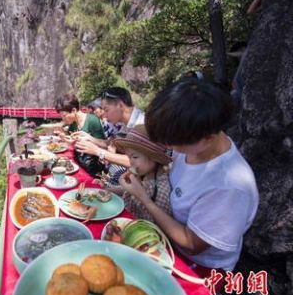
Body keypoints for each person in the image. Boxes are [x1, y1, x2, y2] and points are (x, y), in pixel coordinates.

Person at [120, 78, 258, 272]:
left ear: (209, 137)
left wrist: (144, 198)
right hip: (165, 243)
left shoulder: (230, 184)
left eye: (175, 143)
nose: (169, 148)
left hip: (200, 267)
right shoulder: (190, 141)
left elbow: (192, 245)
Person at [75, 87, 145, 186]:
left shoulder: (141, 125)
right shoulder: (127, 123)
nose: (104, 114)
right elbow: (111, 143)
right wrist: (89, 138)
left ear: (120, 105)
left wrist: (98, 151)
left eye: (106, 110)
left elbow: (138, 163)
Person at [114, 125, 172, 221]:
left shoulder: (161, 191)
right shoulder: (144, 176)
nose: (131, 162)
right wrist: (108, 190)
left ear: (154, 157)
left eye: (135, 157)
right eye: (129, 158)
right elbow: (129, 190)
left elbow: (156, 224)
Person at [54, 93, 105, 176]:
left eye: (64, 115)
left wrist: (85, 140)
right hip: (79, 166)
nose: (62, 119)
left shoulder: (92, 120)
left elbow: (104, 145)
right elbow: (73, 142)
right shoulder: (73, 124)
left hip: (93, 170)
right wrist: (65, 138)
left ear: (74, 110)